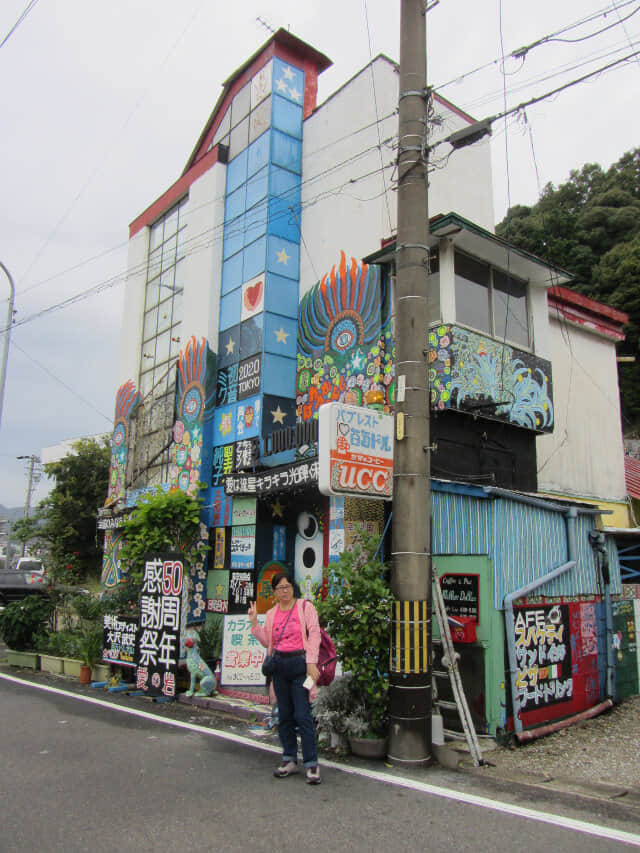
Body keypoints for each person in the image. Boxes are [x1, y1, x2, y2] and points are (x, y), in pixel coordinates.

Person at [248, 571, 322, 785]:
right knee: (285, 716)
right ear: (274, 592)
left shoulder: (305, 608)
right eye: (280, 588)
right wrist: (254, 623)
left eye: (287, 587)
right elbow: (267, 642)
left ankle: (311, 763)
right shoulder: (271, 614)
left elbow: (315, 634)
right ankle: (289, 758)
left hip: (301, 666)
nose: (284, 591)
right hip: (279, 667)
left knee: (303, 715)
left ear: (293, 587)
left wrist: (311, 662)